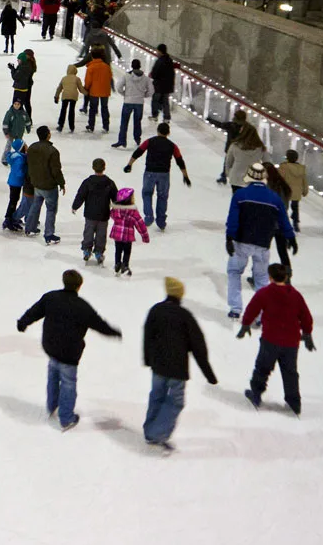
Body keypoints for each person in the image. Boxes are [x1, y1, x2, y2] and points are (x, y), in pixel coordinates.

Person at [16, 269, 121, 431]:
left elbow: (34, 312)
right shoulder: (82, 307)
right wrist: (114, 332)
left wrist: (22, 322)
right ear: (79, 286)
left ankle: (52, 406)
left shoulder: (51, 298)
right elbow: (99, 324)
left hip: (51, 346)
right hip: (69, 352)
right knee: (68, 383)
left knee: (53, 374)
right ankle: (66, 418)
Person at [141, 278, 217, 451]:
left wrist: (147, 359)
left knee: (157, 396)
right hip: (177, 369)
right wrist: (208, 374)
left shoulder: (156, 310)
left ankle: (150, 431)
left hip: (158, 366)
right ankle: (156, 433)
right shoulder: (185, 316)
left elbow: (147, 336)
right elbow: (198, 347)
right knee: (175, 402)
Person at [237, 263, 314, 415]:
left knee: (263, 368)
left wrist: (245, 324)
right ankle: (294, 402)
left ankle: (256, 394)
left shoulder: (265, 293)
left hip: (270, 340)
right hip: (291, 342)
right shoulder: (295, 295)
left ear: (270, 277)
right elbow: (306, 316)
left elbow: (252, 308)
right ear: (286, 277)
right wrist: (307, 333)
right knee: (290, 372)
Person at [226, 163, 297, 319]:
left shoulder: (240, 195)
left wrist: (229, 237)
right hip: (263, 243)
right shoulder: (274, 198)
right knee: (261, 279)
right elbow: (284, 220)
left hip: (242, 242)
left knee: (234, 272)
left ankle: (235, 308)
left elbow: (233, 218)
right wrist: (290, 237)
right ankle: (260, 314)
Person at [123, 123, 191, 231]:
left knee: (147, 193)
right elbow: (180, 161)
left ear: (157, 131)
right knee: (162, 196)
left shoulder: (149, 141)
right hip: (164, 174)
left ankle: (149, 216)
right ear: (168, 133)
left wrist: (129, 164)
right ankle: (161, 221)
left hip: (150, 172)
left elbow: (138, 152)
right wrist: (185, 176)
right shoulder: (172, 146)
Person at [22, 126, 66, 244]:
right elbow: (56, 170)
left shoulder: (31, 148)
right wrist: (61, 183)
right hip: (49, 185)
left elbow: (29, 164)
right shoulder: (53, 151)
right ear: (48, 135)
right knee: (51, 209)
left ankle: (29, 228)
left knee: (36, 205)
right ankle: (49, 234)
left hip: (36, 183)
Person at [71, 158, 117, 266]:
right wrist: (116, 209)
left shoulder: (88, 182)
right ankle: (99, 252)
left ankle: (87, 250)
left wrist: (75, 206)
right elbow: (116, 197)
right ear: (104, 168)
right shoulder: (109, 183)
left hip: (90, 213)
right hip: (103, 214)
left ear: (93, 168)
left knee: (88, 232)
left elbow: (80, 195)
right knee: (101, 234)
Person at [107, 187, 150, 276]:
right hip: (127, 235)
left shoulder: (115, 210)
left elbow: (111, 215)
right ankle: (125, 265)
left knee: (118, 250)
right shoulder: (133, 212)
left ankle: (117, 263)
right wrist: (145, 236)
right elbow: (140, 224)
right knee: (127, 251)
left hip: (117, 234)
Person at [113, 59, 152, 148]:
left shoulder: (126, 76)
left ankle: (122, 140)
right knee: (137, 122)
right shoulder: (145, 78)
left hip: (128, 102)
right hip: (139, 103)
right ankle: (137, 138)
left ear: (132, 66)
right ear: (140, 66)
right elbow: (151, 90)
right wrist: (144, 95)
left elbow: (119, 87)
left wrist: (124, 94)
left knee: (124, 122)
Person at [276, 149, 309, 232]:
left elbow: (279, 178)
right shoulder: (301, 168)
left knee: (284, 207)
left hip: (286, 191)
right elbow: (304, 180)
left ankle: (283, 223)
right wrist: (305, 190)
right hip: (297, 192)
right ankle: (296, 223)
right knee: (295, 207)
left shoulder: (284, 166)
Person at [2, 138, 29, 232]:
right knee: (13, 201)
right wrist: (26, 174)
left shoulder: (18, 156)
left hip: (14, 182)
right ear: (21, 147)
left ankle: (10, 217)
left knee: (14, 200)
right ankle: (8, 219)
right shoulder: (19, 159)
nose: (27, 146)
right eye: (25, 145)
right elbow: (18, 172)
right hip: (16, 183)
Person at [81, 53, 112, 133]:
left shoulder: (91, 67)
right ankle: (106, 126)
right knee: (104, 108)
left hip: (94, 91)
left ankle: (91, 126)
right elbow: (110, 77)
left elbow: (88, 81)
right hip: (105, 90)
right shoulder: (106, 67)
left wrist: (86, 88)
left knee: (92, 109)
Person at [148, 43, 176, 122]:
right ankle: (166, 117)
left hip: (159, 86)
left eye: (157, 51)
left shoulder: (159, 61)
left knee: (155, 101)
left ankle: (154, 115)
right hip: (167, 86)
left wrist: (152, 75)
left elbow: (154, 73)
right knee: (165, 102)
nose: (156, 52)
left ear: (160, 51)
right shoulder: (170, 61)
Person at [53, 65, 85, 133]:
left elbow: (59, 88)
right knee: (71, 110)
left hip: (65, 95)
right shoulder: (77, 78)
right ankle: (71, 126)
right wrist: (87, 93)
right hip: (73, 96)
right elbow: (81, 89)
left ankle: (60, 125)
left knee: (63, 110)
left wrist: (56, 96)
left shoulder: (64, 78)